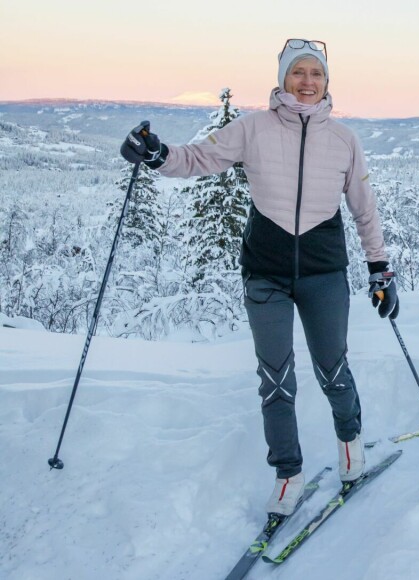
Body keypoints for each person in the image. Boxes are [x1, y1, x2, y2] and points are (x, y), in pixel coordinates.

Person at [120, 39, 399, 516]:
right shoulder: (252, 128)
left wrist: (380, 269)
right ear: (282, 78)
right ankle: (288, 473)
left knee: (333, 369)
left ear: (327, 81)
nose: (307, 81)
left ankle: (352, 448)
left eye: (316, 73)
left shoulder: (344, 140)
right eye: (298, 72)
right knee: (275, 380)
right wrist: (155, 154)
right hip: (265, 274)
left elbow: (363, 208)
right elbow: (198, 158)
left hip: (323, 273)